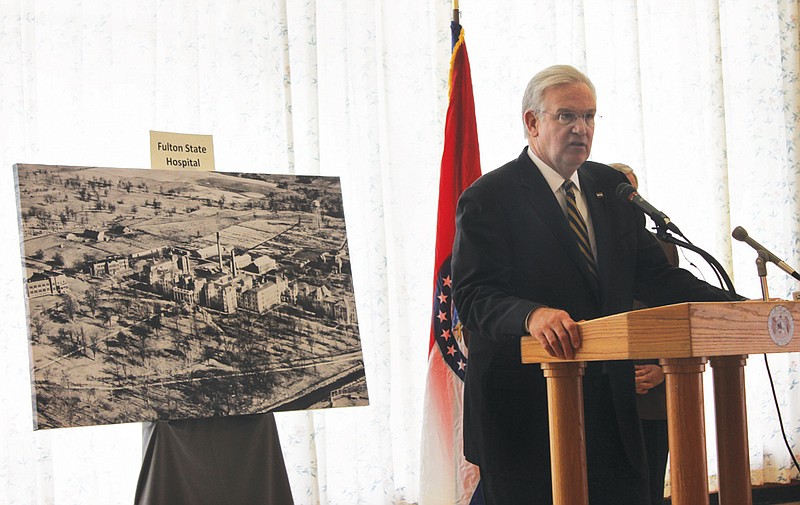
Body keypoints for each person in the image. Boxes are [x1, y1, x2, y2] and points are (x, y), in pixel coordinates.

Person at [451, 64, 739, 505]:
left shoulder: (609, 187)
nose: (580, 128)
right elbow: (473, 296)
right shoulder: (490, 196)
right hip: (526, 414)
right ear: (532, 122)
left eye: (589, 117)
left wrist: (739, 308)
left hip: (611, 408)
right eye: (566, 116)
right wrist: (532, 315)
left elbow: (656, 276)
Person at [610, 162, 675, 505]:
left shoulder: (661, 248)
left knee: (649, 492)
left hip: (653, 395)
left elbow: (673, 320)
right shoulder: (582, 247)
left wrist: (664, 369)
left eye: (633, 194)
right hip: (602, 396)